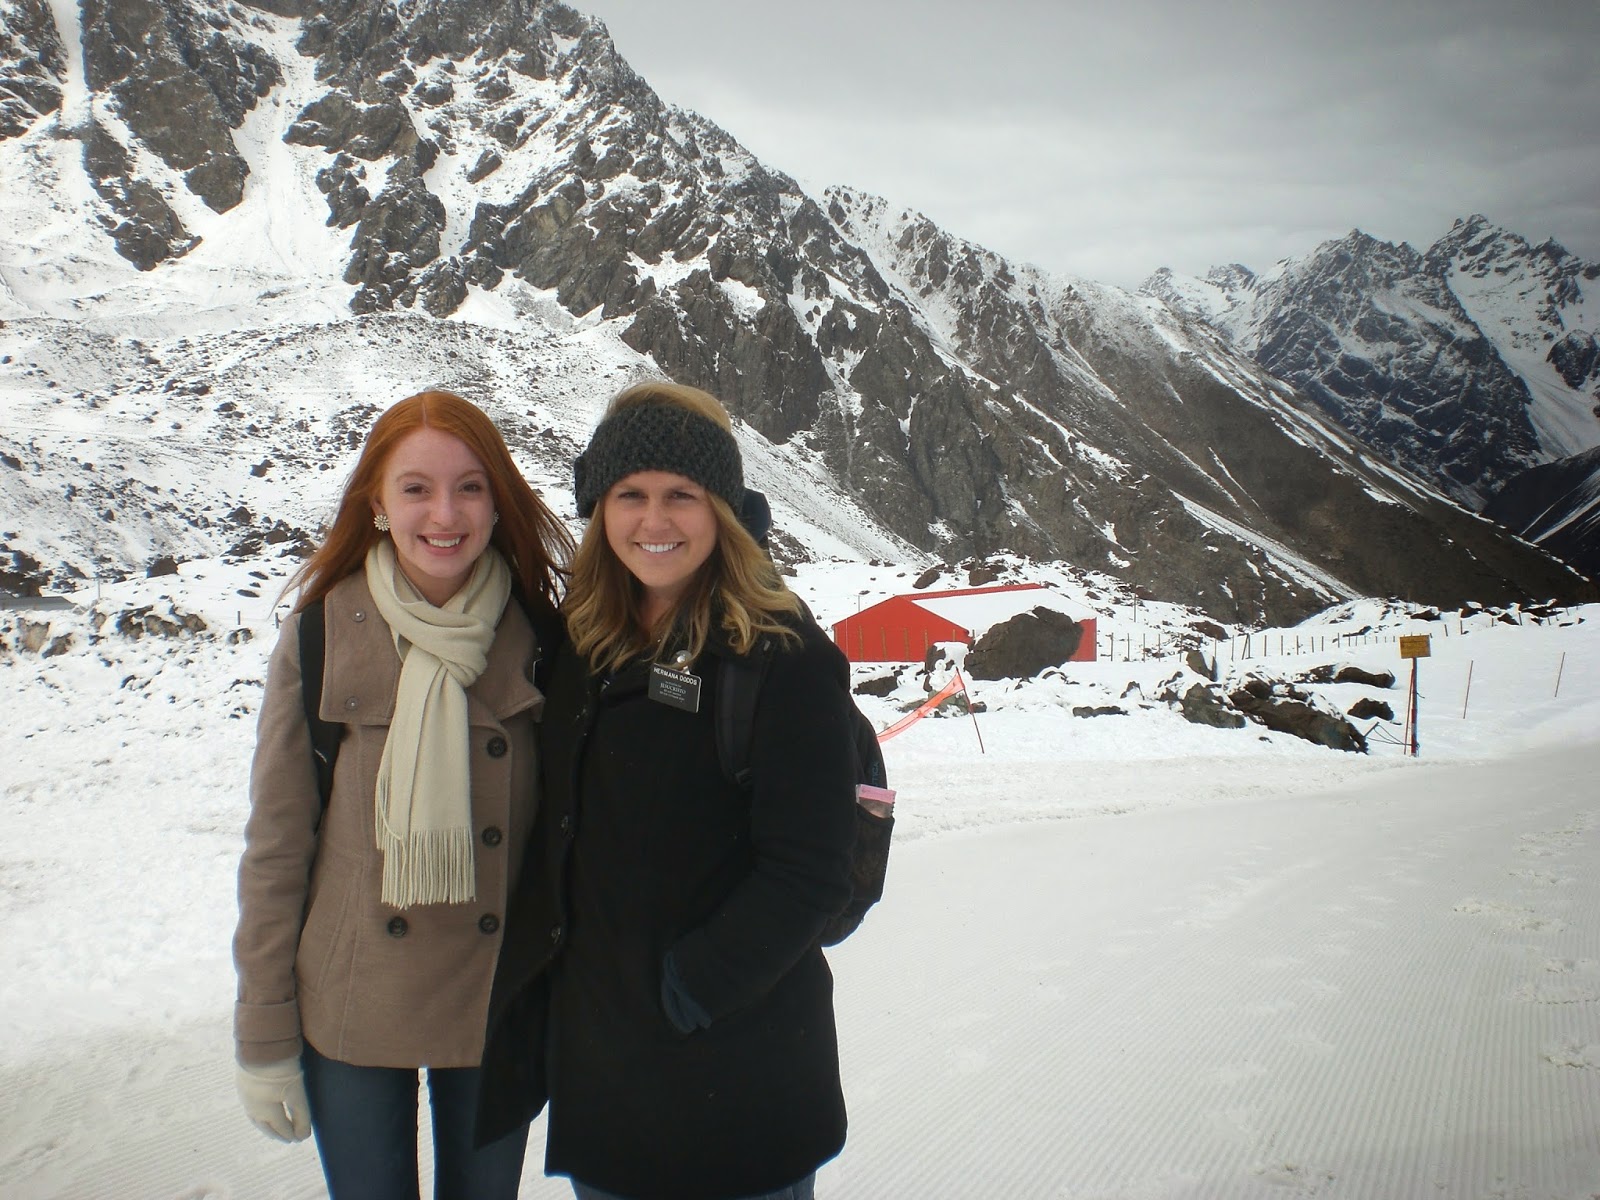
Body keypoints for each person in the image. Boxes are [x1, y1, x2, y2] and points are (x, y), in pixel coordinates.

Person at [476, 381, 861, 1200]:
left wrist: (692, 989)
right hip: (606, 1086)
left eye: (681, 494)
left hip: (737, 1080)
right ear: (600, 508)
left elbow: (811, 869)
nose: (654, 521)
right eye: (631, 495)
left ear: (722, 510)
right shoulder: (585, 641)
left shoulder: (779, 656)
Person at [232, 389, 573, 1199]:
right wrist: (264, 1032)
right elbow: (278, 845)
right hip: (354, 1002)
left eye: (469, 487)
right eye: (416, 488)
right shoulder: (322, 633)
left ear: (497, 503)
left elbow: (572, 837)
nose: (444, 514)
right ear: (377, 505)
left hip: (493, 1002)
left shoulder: (544, 638)